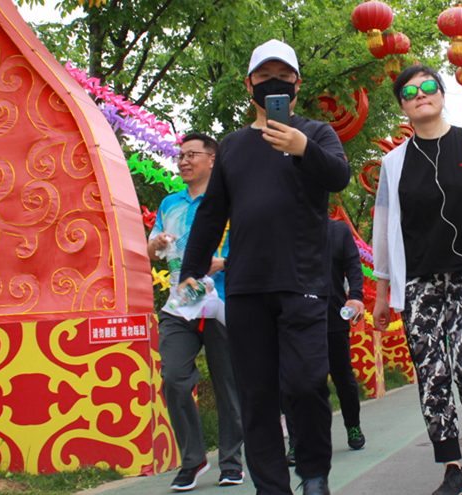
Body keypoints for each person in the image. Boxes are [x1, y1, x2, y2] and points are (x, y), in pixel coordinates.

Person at [178, 39, 350, 495]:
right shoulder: (233, 146)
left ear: (297, 84)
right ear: (250, 84)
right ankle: (272, 487)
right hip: (246, 286)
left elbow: (338, 177)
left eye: (284, 75)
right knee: (256, 397)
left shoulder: (316, 134)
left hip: (304, 281)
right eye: (264, 75)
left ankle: (313, 473)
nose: (274, 82)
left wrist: (300, 147)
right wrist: (190, 272)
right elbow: (212, 214)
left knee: (307, 383)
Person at [370, 64, 462, 495]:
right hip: (418, 283)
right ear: (402, 105)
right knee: (431, 373)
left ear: (442, 93)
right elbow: (383, 233)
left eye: (429, 86)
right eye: (410, 91)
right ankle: (451, 467)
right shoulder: (393, 163)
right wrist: (383, 294)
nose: (421, 94)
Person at [148, 133, 245, 491]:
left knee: (228, 386)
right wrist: (154, 244)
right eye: (180, 155)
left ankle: (232, 461)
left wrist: (225, 263)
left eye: (192, 154)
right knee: (173, 377)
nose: (184, 161)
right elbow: (150, 251)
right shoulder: (169, 203)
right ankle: (193, 458)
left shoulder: (233, 202)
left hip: (223, 302)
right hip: (179, 305)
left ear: (212, 160)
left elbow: (254, 249)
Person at [285, 218, 367, 461]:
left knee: (343, 377)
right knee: (293, 380)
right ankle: (297, 441)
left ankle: (353, 425)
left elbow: (353, 267)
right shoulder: (285, 228)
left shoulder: (338, 230)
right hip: (294, 317)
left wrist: (356, 296)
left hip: (331, 315)